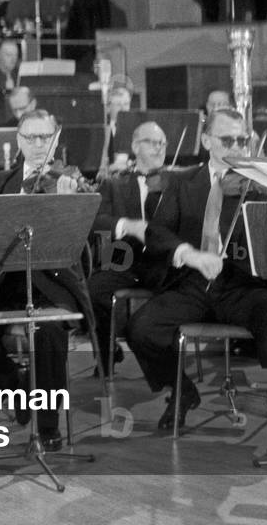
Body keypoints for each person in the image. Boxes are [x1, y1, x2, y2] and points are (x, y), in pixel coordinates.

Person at [128, 108, 267, 445]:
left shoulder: (260, 183)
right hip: (193, 284)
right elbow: (159, 231)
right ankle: (181, 391)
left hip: (242, 287)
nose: (237, 147)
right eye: (227, 140)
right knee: (141, 328)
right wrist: (189, 254)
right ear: (207, 140)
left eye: (242, 139)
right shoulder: (183, 182)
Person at [0, 109, 94, 450]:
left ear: (56, 139)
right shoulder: (1, 181)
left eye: (44, 137)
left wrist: (67, 203)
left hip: (52, 283)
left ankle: (48, 427)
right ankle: (15, 392)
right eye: (29, 137)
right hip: (5, 282)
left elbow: (80, 245)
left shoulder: (72, 180)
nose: (37, 144)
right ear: (18, 141)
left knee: (47, 329)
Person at [86, 120, 170, 375]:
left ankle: (164, 363)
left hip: (163, 263)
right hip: (125, 261)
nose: (158, 148)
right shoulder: (115, 184)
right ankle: (107, 354)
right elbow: (96, 220)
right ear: (135, 146)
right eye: (151, 142)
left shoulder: (177, 183)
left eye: (162, 143)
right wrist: (128, 225)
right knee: (93, 290)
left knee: (179, 289)